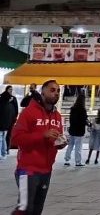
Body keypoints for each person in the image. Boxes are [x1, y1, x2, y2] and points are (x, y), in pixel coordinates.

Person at [11, 79, 67, 215]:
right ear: (43, 92)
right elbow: (15, 139)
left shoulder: (57, 116)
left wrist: (60, 143)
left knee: (36, 210)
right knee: (25, 208)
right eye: (52, 90)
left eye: (58, 91)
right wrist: (42, 135)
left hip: (46, 171)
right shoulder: (28, 113)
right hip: (27, 170)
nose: (56, 93)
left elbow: (53, 140)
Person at [63, 93, 88, 167]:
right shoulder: (82, 110)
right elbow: (83, 120)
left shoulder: (73, 108)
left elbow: (71, 119)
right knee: (78, 147)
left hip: (72, 130)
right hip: (79, 131)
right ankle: (78, 161)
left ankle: (66, 159)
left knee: (70, 145)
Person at [1, 86, 18, 160]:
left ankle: (5, 151)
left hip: (9, 121)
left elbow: (16, 109)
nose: (10, 91)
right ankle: (5, 151)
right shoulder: (4, 99)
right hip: (7, 120)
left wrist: (14, 118)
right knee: (5, 137)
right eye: (9, 89)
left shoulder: (12, 99)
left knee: (6, 136)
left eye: (11, 89)